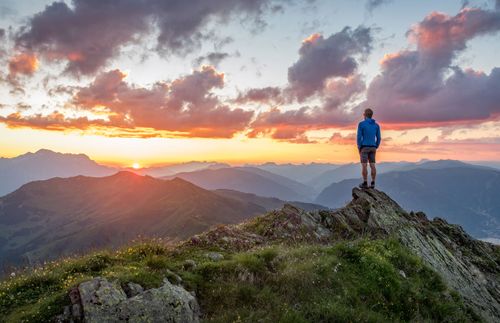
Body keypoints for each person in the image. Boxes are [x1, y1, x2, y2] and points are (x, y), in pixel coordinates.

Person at [356, 108, 381, 189]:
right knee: (372, 165)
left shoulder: (361, 124)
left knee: (364, 165)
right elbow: (379, 137)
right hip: (373, 147)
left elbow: (359, 137)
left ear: (365, 115)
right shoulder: (376, 125)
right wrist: (376, 146)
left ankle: (365, 183)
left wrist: (359, 147)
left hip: (364, 147)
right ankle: (373, 183)